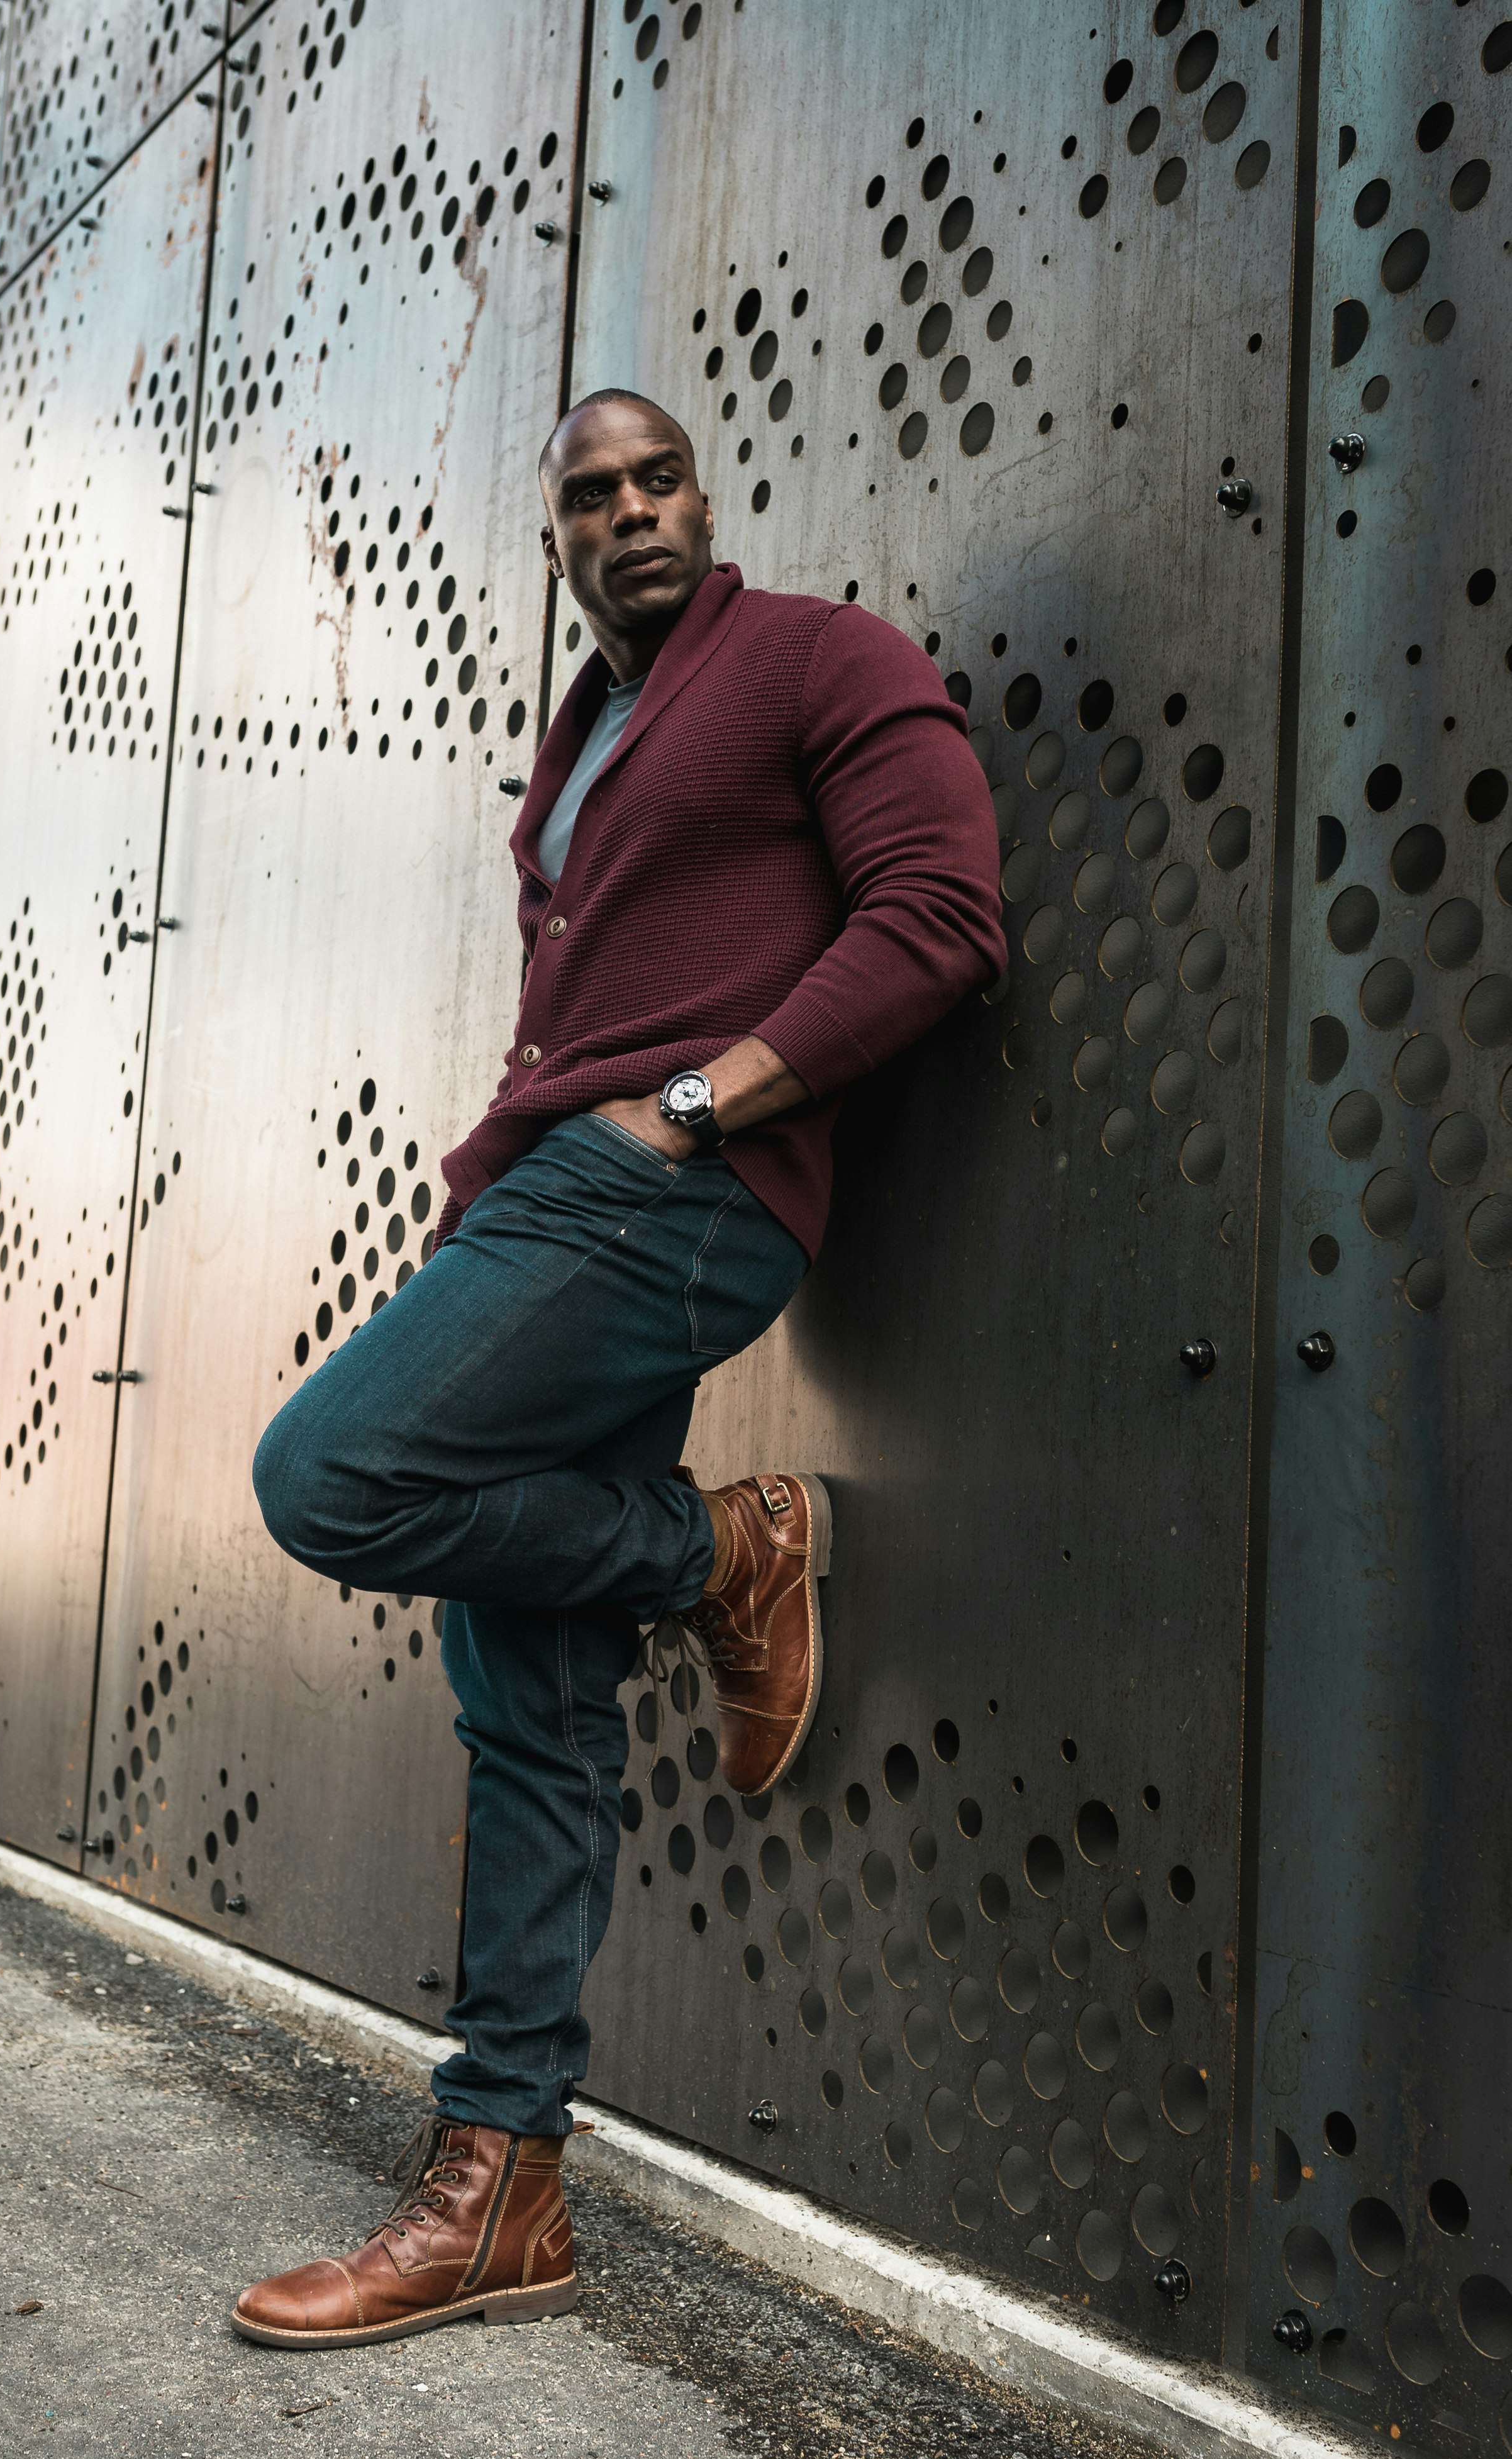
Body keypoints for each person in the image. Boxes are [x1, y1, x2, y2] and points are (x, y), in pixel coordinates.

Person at [231, 391, 1003, 2348]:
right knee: (533, 1712)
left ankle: (728, 1551)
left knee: (327, 1476)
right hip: (555, 1204)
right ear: (554, 535)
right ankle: (508, 2190)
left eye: (660, 480)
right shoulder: (582, 750)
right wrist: (492, 1192)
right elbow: (570, 1004)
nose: (633, 512)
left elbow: (939, 918)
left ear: (705, 497)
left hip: (669, 1195)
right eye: (592, 493)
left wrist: (695, 1107)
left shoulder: (823, 657)